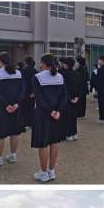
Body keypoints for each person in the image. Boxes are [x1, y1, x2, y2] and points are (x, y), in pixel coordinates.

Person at [31, 54, 67, 183]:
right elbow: (64, 96)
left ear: (43, 63)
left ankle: (43, 172)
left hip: (43, 114)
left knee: (43, 144)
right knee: (54, 142)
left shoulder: (37, 77)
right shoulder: (60, 76)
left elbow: (39, 98)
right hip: (57, 115)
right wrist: (58, 111)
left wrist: (50, 111)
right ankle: (51, 171)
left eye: (41, 62)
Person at [0, 52, 25, 166]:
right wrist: (16, 104)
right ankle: (13, 155)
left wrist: (6, 105)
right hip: (16, 107)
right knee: (15, 132)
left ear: (0, 60)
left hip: (1, 107)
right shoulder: (18, 73)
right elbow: (22, 90)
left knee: (0, 133)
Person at [60, 57, 82, 141]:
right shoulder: (77, 74)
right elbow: (80, 87)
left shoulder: (63, 74)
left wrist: (69, 98)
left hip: (67, 99)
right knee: (73, 117)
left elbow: (65, 88)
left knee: (67, 117)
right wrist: (77, 97)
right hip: (75, 98)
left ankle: (68, 134)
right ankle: (74, 134)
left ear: (66, 64)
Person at [20, 56, 37, 130]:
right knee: (31, 108)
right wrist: (34, 92)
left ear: (26, 62)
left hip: (24, 92)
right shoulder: (35, 71)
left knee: (24, 108)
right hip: (32, 93)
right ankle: (31, 123)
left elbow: (21, 83)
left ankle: (25, 124)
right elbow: (36, 83)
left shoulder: (22, 71)